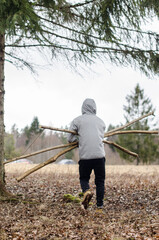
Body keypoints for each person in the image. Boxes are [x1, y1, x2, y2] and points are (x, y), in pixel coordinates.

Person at [67, 98, 106, 209]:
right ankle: (99, 206)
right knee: (100, 181)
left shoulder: (77, 121)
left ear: (83, 108)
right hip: (100, 156)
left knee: (84, 179)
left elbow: (69, 138)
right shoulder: (101, 122)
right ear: (95, 108)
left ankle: (86, 192)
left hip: (85, 157)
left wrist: (78, 141)